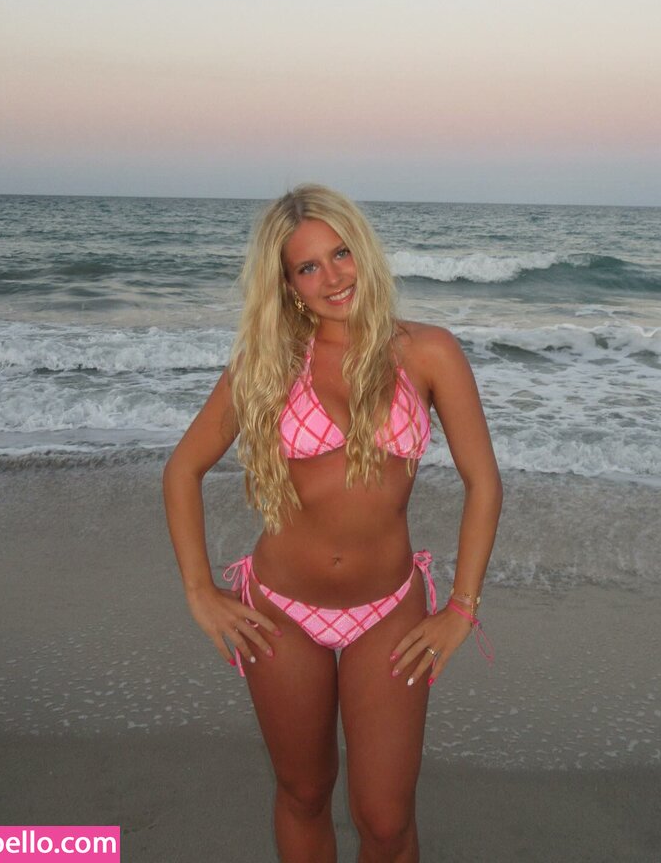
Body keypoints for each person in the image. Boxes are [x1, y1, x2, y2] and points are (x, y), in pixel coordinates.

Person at [163, 184, 502, 862]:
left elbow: (484, 482)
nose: (332, 276)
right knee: (305, 793)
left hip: (389, 613)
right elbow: (182, 470)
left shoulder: (428, 352)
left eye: (341, 253)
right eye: (308, 267)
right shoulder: (268, 364)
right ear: (288, 285)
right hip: (280, 612)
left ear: (364, 252)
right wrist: (200, 592)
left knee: (385, 820)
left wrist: (462, 608)